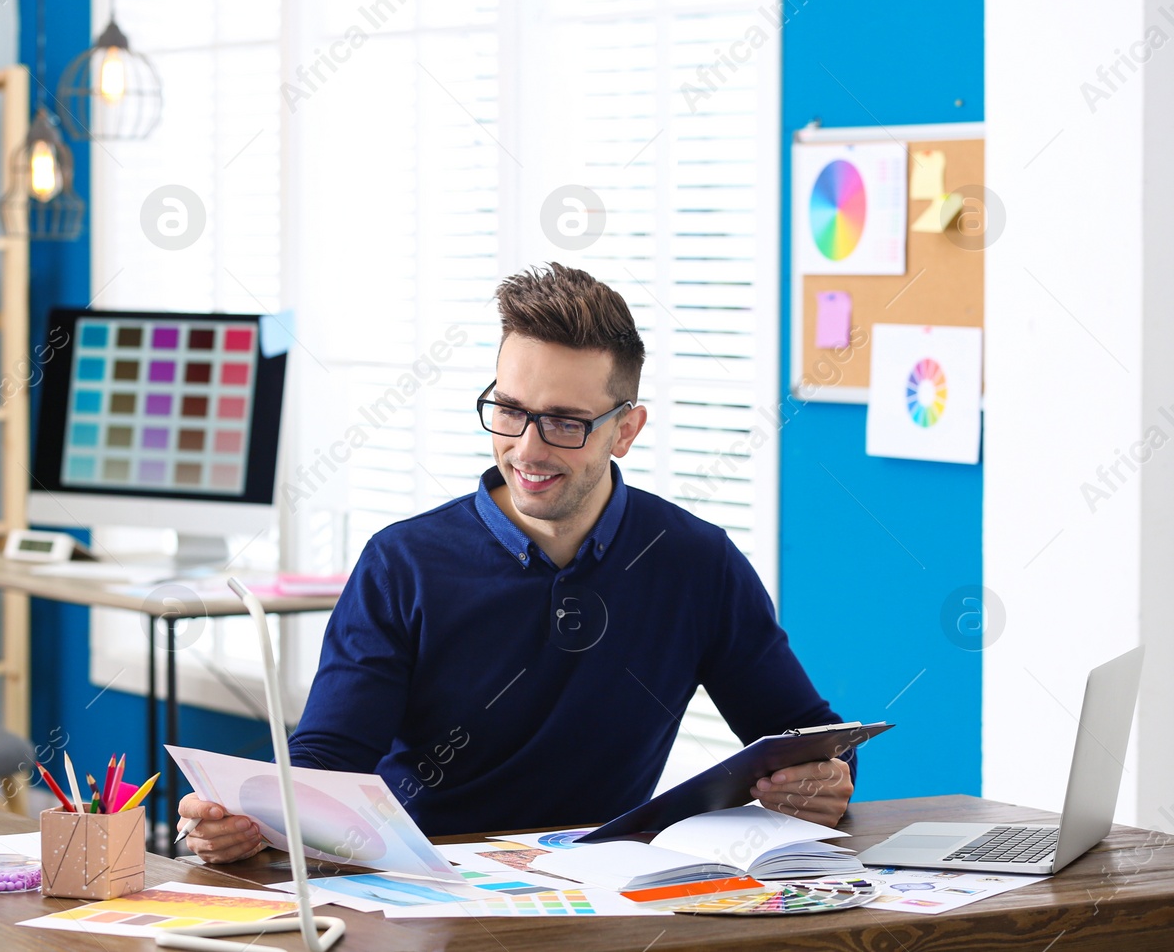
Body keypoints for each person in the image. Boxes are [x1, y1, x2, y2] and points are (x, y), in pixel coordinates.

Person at [180, 263, 854, 864]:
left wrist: (824, 781)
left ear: (626, 429)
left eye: (565, 421)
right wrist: (247, 822)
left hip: (598, 893)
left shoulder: (696, 561)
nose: (528, 447)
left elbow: (810, 736)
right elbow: (328, 762)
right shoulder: (404, 563)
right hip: (423, 891)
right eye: (509, 410)